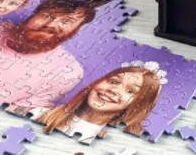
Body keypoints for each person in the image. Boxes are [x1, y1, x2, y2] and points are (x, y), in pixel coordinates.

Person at [33, 61, 166, 145]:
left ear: (139, 104)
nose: (114, 90)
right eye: (113, 81)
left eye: (130, 91)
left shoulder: (115, 142)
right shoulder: (41, 113)